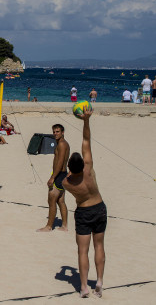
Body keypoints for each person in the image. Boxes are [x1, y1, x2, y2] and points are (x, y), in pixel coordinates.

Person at [63, 109, 107, 298]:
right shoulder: (89, 169)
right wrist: (86, 121)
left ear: (70, 168)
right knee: (99, 246)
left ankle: (83, 287)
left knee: (83, 251)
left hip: (83, 212)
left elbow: (65, 176)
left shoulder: (67, 182)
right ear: (83, 164)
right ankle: (99, 282)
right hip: (99, 208)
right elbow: (86, 141)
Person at [37, 124, 70, 232]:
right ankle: (64, 225)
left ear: (63, 132)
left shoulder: (61, 144)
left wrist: (52, 177)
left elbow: (60, 163)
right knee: (61, 201)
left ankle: (49, 226)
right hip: (62, 174)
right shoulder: (63, 143)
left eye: (57, 132)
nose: (55, 134)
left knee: (51, 200)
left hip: (59, 174)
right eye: (54, 132)